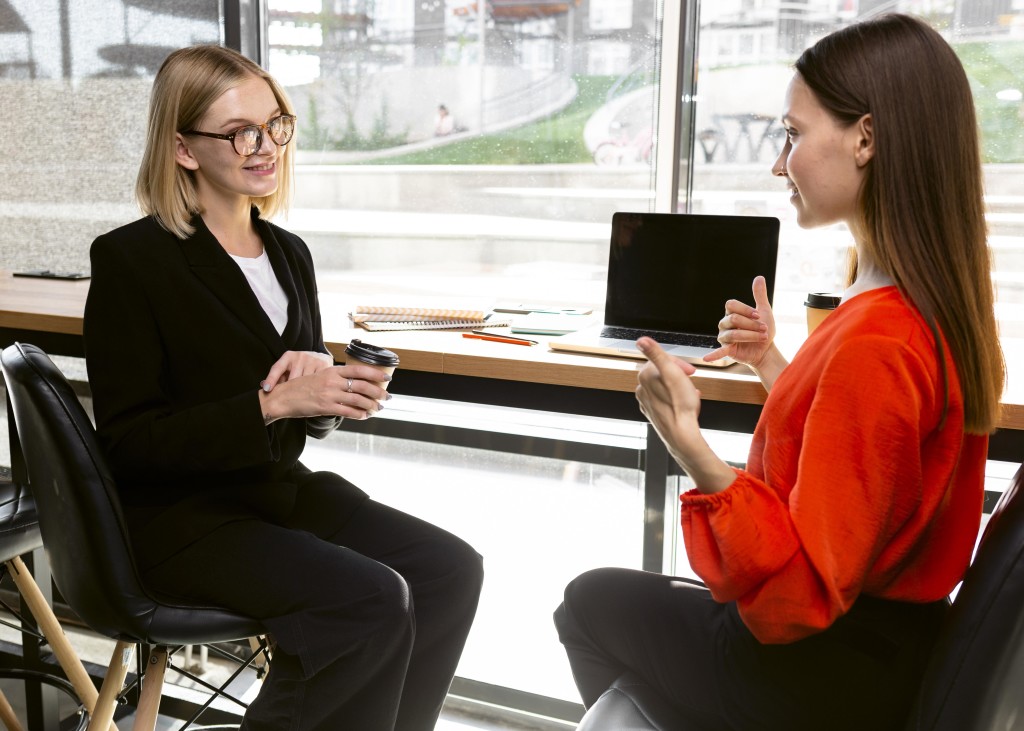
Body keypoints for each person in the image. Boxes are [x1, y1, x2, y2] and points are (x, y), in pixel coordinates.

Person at [554, 13, 1005, 730]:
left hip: (813, 671)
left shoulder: (875, 342)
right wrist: (772, 362)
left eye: (791, 136)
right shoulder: (929, 308)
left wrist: (688, 442)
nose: (776, 162)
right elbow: (864, 463)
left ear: (866, 138)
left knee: (586, 604)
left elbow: (799, 592)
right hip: (887, 650)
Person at [83, 45, 483, 731]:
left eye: (275, 124)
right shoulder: (131, 261)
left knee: (450, 569)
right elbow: (125, 444)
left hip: (274, 496)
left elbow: (297, 418)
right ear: (183, 149)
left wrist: (330, 393)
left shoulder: (289, 253)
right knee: (368, 600)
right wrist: (269, 405)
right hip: (181, 519)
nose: (264, 146)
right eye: (240, 131)